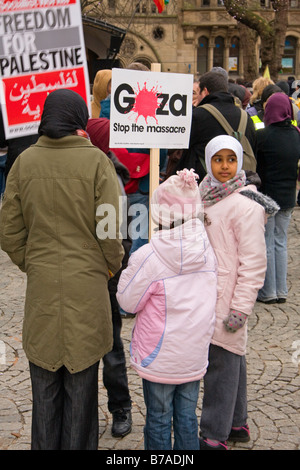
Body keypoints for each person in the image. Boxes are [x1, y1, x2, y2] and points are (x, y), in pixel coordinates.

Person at [0, 89, 124, 450]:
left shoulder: (24, 162)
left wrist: (32, 261)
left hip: (42, 288)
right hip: (88, 287)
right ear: (78, 120)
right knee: (82, 392)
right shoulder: (98, 163)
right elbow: (110, 232)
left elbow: (8, 231)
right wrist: (108, 267)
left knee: (44, 390)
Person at [117, 168, 218, 450]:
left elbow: (127, 301)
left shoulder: (149, 256)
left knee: (159, 418)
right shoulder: (208, 250)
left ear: (159, 213)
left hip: (158, 355)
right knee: (187, 417)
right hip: (193, 353)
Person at [198, 135, 278, 450]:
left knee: (220, 362)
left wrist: (241, 308)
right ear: (208, 161)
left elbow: (254, 263)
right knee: (234, 356)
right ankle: (237, 422)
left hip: (227, 298)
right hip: (211, 293)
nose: (225, 166)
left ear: (240, 163)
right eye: (218, 159)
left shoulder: (245, 205)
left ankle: (213, 434)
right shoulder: (207, 195)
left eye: (231, 160)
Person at [86, 116, 133, 437]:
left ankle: (121, 408)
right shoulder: (87, 169)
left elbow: (116, 233)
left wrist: (109, 269)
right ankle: (85, 411)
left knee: (111, 345)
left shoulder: (110, 176)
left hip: (106, 272)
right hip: (87, 270)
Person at [256, 92, 300, 304]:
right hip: (288, 196)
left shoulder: (264, 135)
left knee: (267, 242)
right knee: (281, 241)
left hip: (267, 197)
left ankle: (268, 291)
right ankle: (281, 290)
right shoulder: (296, 134)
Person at [174, 71, 257, 182]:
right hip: (238, 182)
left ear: (205, 91)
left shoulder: (198, 116)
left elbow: (180, 146)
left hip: (205, 185)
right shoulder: (245, 116)